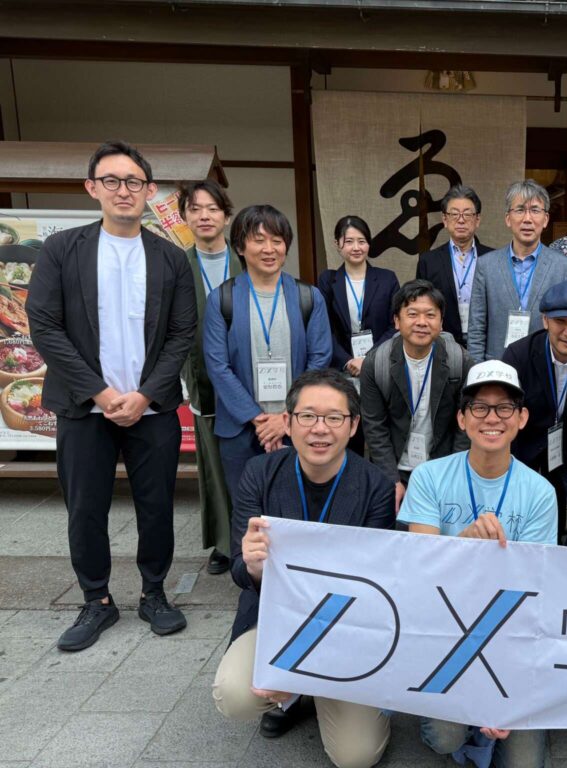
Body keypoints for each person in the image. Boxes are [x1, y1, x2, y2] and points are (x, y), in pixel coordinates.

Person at [27, 140, 197, 650]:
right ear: (92, 188)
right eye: (112, 181)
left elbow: (181, 333)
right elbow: (44, 325)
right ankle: (96, 599)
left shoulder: (170, 257)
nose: (124, 191)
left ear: (149, 190)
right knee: (85, 507)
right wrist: (101, 393)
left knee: (156, 505)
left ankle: (154, 593)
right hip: (84, 407)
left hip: (153, 407)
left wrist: (144, 395)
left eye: (134, 182)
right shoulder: (63, 249)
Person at [212, 368, 395, 765]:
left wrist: (299, 672)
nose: (320, 429)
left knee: (356, 757)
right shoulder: (259, 474)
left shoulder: (376, 486)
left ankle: (318, 692)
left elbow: (372, 589)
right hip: (275, 617)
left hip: (347, 627)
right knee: (234, 695)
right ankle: (297, 696)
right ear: (289, 422)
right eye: (308, 416)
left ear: (353, 426)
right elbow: (240, 572)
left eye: (334, 417)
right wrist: (254, 566)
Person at [398, 360, 557, 768]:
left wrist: (505, 683)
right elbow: (420, 568)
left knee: (524, 763)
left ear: (521, 418)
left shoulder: (540, 491)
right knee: (443, 737)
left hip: (510, 634)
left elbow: (534, 587)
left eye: (504, 408)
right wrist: (465, 544)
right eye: (480, 407)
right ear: (462, 418)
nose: (492, 418)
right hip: (443, 630)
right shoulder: (429, 477)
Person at [203, 204, 332, 507]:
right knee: (247, 511)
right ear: (240, 246)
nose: (269, 249)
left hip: (298, 426)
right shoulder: (222, 299)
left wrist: (286, 416)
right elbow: (218, 366)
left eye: (277, 240)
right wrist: (259, 419)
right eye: (258, 240)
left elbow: (320, 359)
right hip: (240, 429)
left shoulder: (308, 296)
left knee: (298, 508)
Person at [502, 280, 567, 550]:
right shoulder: (518, 355)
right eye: (560, 321)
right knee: (517, 511)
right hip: (525, 451)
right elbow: (505, 417)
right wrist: (506, 473)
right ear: (545, 320)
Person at [360, 279, 473, 513]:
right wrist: (391, 479)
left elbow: (465, 424)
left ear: (441, 322)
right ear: (397, 320)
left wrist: (454, 474)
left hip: (442, 467)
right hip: (395, 469)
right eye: (412, 314)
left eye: (430, 315)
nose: (422, 322)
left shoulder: (459, 361)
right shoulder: (376, 363)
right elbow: (374, 426)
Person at [179, 179, 242, 576]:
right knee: (214, 462)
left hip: (248, 375)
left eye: (213, 208)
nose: (204, 216)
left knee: (251, 458)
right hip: (202, 374)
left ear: (226, 216)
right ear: (185, 216)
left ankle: (254, 534)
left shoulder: (246, 258)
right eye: (196, 208)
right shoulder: (176, 265)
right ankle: (224, 541)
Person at [467, 180, 567, 361]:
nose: (527, 219)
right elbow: (476, 328)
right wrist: (478, 370)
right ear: (508, 219)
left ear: (546, 219)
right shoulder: (486, 265)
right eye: (519, 210)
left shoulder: (563, 267)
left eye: (535, 210)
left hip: (544, 363)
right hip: (497, 365)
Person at [318, 215, 399, 375]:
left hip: (381, 365)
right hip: (342, 369)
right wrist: (347, 361)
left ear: (368, 244)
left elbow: (396, 325)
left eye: (361, 241)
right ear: (337, 244)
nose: (356, 247)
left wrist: (368, 359)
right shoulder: (327, 280)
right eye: (349, 241)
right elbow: (323, 328)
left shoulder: (387, 279)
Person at [415, 185, 494, 346]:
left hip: (484, 340)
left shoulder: (493, 258)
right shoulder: (428, 261)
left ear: (477, 220)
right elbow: (422, 305)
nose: (461, 220)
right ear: (445, 220)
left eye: (467, 214)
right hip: (442, 342)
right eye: (454, 214)